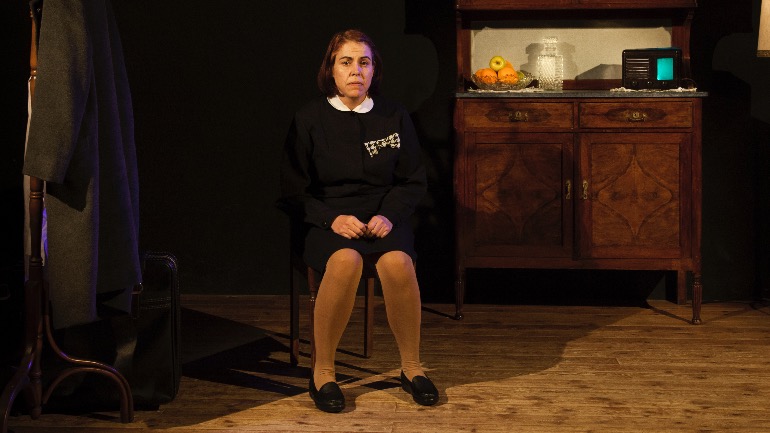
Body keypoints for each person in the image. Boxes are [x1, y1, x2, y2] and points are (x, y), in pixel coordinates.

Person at [278, 29, 438, 413]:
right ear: (330, 70)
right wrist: (331, 219)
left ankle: (412, 368)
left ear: (374, 70)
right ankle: (323, 372)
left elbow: (412, 181)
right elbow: (293, 191)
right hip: (327, 220)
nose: (356, 71)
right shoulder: (309, 118)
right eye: (346, 62)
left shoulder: (394, 115)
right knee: (346, 260)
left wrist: (389, 215)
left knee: (398, 263)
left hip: (383, 216)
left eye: (364, 62)